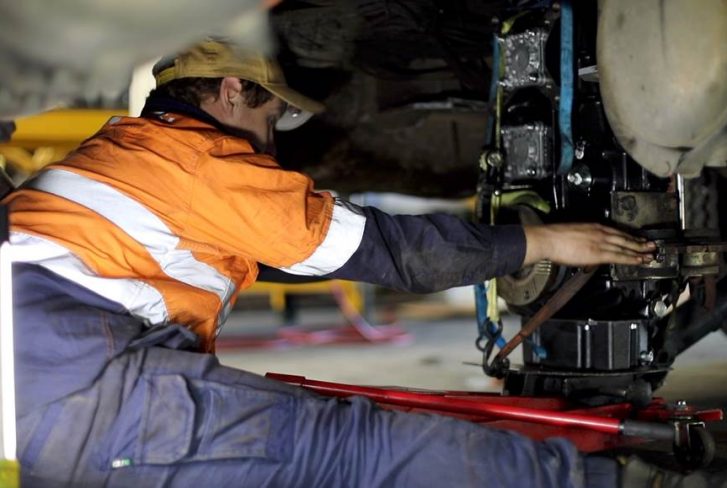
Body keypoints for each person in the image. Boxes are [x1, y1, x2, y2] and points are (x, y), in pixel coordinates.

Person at [2, 38, 706, 488]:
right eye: (270, 117)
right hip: (71, 386)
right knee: (355, 451)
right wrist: (542, 242)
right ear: (230, 91)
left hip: (45, 387)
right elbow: (379, 250)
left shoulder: (123, 154)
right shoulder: (202, 162)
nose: (270, 143)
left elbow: (276, 259)